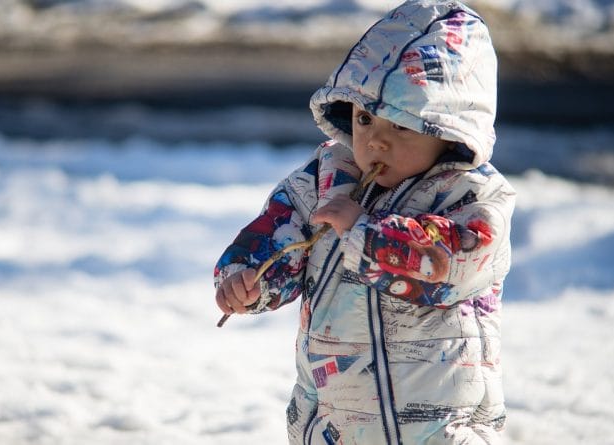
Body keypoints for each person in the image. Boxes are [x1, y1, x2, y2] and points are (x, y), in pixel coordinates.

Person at [213, 1, 516, 443]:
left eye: (403, 127)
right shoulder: (325, 178)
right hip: (334, 422)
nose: (376, 140)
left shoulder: (472, 196)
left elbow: (451, 265)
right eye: (364, 118)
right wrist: (248, 279)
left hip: (439, 425)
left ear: (449, 130)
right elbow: (277, 233)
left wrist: (365, 234)